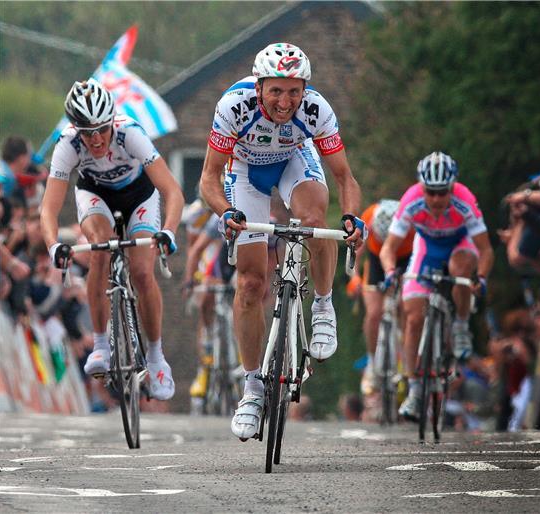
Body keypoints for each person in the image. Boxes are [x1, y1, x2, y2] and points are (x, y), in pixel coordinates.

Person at [198, 42, 364, 440]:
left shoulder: (317, 110)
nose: (285, 101)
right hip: (244, 170)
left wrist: (352, 218)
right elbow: (208, 177)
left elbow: (344, 176)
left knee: (313, 219)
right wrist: (226, 211)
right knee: (251, 284)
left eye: (294, 90)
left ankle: (322, 306)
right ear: (259, 88)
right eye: (276, 90)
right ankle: (253, 388)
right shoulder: (233, 106)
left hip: (293, 159)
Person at [40, 78, 184, 400]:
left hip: (139, 196)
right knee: (99, 249)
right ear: (75, 129)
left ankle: (157, 357)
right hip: (96, 196)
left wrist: (169, 230)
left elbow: (172, 191)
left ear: (111, 122)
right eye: (86, 132)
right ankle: (101, 346)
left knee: (143, 272)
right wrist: (53, 246)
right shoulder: (67, 144)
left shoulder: (130, 133)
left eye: (101, 130)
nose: (95, 139)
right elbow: (48, 209)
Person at [379, 151, 494, 420]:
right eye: (431, 192)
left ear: (453, 187)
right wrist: (389, 271)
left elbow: (486, 250)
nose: (436, 199)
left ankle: (462, 326)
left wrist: (483, 278)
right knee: (413, 316)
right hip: (427, 248)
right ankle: (415, 390)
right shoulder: (411, 200)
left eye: (443, 193)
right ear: (422, 188)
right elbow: (389, 248)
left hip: (460, 246)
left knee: (459, 270)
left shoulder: (465, 201)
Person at [356, 199, 414, 393]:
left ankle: (407, 359)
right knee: (374, 313)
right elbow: (358, 249)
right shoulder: (370, 215)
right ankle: (372, 362)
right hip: (376, 261)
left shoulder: (411, 223)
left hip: (405, 258)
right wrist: (354, 276)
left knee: (407, 309)